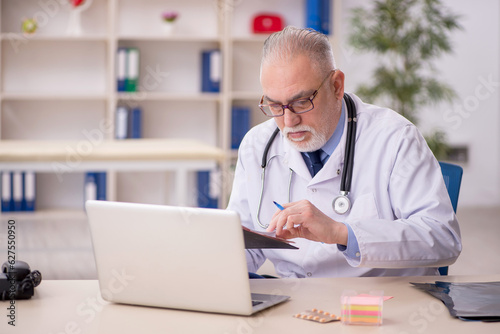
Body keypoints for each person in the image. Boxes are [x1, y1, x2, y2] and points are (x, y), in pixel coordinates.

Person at [227, 26, 461, 278]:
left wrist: (341, 233)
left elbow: (443, 238)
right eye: (274, 105)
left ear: (336, 86)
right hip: (293, 302)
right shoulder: (256, 145)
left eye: (302, 102)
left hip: (380, 304)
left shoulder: (395, 138)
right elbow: (245, 243)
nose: (288, 121)